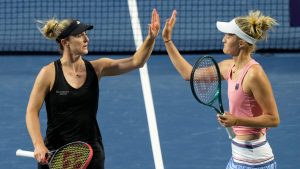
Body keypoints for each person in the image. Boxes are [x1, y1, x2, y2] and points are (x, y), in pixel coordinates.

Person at [25, 9, 160, 169]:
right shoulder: (48, 73)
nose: (86, 39)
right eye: (79, 35)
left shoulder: (98, 68)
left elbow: (136, 61)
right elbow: (32, 111)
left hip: (91, 152)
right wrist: (38, 144)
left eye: (85, 34)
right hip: (56, 154)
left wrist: (151, 38)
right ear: (65, 42)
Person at [162, 10, 280, 168]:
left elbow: (273, 119)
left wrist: (237, 120)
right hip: (238, 158)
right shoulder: (228, 66)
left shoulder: (254, 75)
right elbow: (189, 74)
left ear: (241, 43)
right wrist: (168, 40)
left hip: (255, 163)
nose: (223, 39)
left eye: (229, 35)